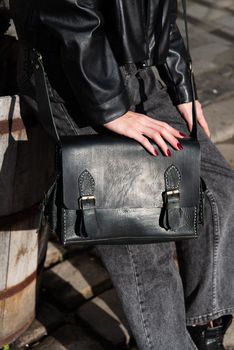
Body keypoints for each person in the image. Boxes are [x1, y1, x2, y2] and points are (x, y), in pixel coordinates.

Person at [10, 0, 234, 349]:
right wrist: (111, 108)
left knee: (218, 187)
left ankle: (205, 329)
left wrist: (181, 86)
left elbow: (159, 11)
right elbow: (67, 13)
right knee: (138, 239)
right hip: (72, 78)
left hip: (138, 71)